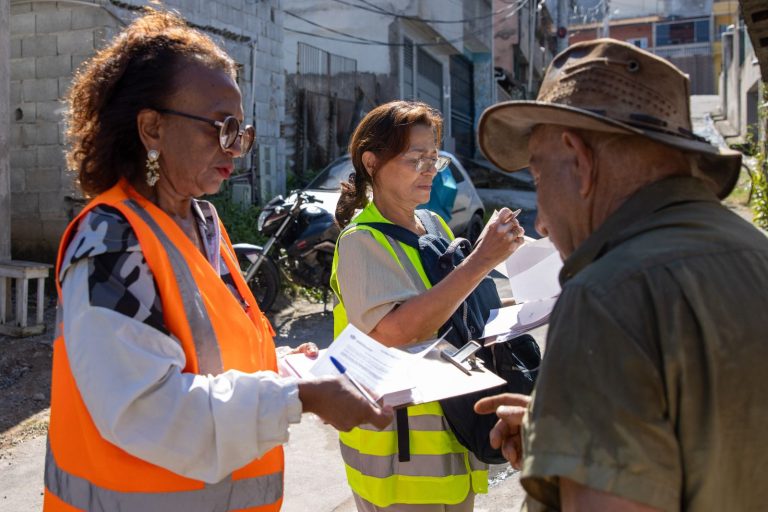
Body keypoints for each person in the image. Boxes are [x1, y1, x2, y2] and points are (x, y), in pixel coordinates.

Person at [44, 10, 391, 511]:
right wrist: (300, 397)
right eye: (219, 127)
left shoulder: (203, 222)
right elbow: (146, 411)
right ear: (152, 128)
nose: (237, 148)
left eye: (241, 131)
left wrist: (288, 368)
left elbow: (213, 355)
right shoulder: (112, 242)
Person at [475, 38, 768, 511]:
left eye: (537, 177)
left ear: (580, 159)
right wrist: (568, 443)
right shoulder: (756, 251)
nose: (541, 224)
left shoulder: (604, 296)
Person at [330, 100, 525, 512]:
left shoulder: (432, 224)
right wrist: (482, 260)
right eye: (415, 157)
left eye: (433, 157)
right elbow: (397, 331)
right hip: (400, 461)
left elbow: (457, 308)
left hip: (454, 432)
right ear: (372, 162)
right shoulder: (360, 241)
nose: (430, 168)